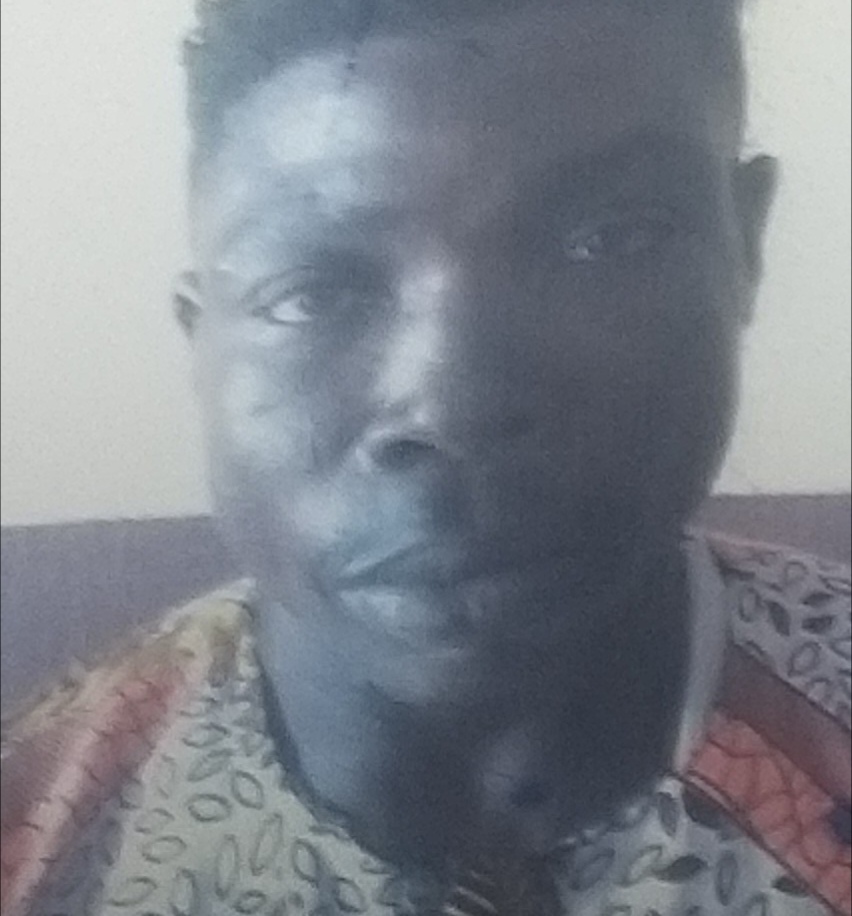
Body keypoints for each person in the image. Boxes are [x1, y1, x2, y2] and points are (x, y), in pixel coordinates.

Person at [1, 1, 850, 913]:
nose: (452, 406)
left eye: (610, 237)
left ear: (744, 245)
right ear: (201, 340)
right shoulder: (33, 834)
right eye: (311, 291)